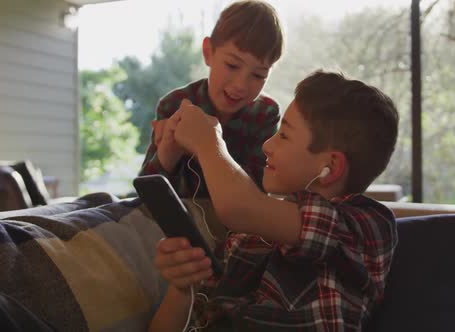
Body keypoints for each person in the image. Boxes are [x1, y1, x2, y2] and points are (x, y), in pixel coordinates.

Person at [149, 70, 400, 331]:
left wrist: (208, 141)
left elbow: (239, 207)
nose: (267, 145)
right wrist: (182, 287)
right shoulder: (245, 239)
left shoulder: (364, 226)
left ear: (331, 166)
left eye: (284, 136)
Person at [139, 0, 284, 198]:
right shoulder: (173, 104)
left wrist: (205, 144)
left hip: (231, 224)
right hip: (175, 219)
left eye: (258, 75)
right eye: (232, 65)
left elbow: (258, 191)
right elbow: (146, 193)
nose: (241, 85)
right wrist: (168, 151)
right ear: (208, 53)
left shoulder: (265, 113)